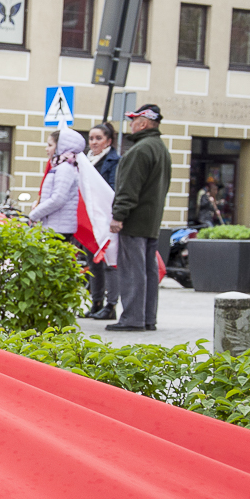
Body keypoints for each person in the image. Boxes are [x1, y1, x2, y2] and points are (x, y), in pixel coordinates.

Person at [107, 104, 172, 333]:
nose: (131, 125)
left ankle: (132, 319)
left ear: (143, 123)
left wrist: (118, 215)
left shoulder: (140, 150)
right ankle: (147, 318)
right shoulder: (161, 149)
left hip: (134, 221)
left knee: (132, 270)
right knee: (148, 271)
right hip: (151, 221)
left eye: (134, 121)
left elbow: (129, 187)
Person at [85, 123, 120, 320]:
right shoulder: (86, 161)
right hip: (90, 219)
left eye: (98, 138)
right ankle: (96, 302)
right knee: (93, 262)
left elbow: (113, 188)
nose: (94, 142)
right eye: (91, 138)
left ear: (108, 141)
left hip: (106, 218)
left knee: (109, 261)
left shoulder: (114, 161)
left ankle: (111, 305)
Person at [28, 128, 85, 237]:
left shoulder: (64, 169)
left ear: (61, 147)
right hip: (55, 227)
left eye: (50, 145)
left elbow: (58, 199)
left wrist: (34, 214)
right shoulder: (60, 167)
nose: (46, 149)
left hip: (58, 230)